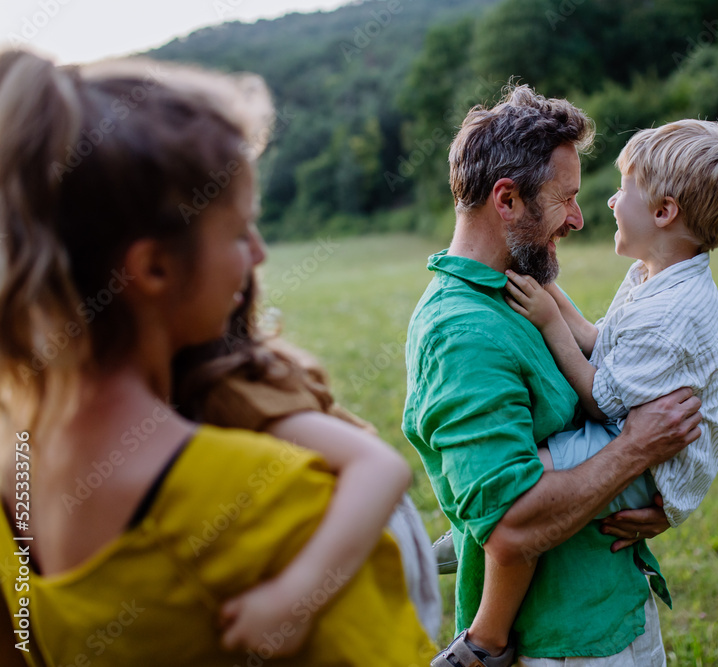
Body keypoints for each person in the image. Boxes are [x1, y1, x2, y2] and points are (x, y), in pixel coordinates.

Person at [0, 49, 435, 665]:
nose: (257, 256)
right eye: (237, 232)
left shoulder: (15, 474)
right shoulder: (271, 512)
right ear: (152, 268)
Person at [403, 84, 704, 667]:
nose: (579, 216)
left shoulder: (522, 286)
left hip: (613, 606)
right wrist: (638, 450)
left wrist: (661, 493)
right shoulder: (462, 333)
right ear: (507, 200)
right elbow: (513, 527)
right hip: (560, 644)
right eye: (564, 198)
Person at [473, 119, 718, 660]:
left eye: (624, 188)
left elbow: (603, 398)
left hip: (647, 459)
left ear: (663, 212)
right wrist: (550, 289)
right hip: (636, 436)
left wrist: (549, 321)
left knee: (523, 482)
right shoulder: (657, 274)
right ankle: (479, 539)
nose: (607, 202)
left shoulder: (672, 312)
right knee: (525, 481)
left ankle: (482, 568)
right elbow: (603, 341)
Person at [171, 276, 442, 648]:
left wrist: (293, 599)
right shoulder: (237, 370)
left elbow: (381, 467)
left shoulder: (228, 393)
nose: (258, 251)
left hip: (370, 551)